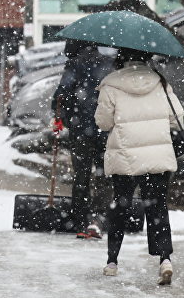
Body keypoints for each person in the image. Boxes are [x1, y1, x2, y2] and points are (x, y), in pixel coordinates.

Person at [94, 47, 184, 285]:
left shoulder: (111, 85)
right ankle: (165, 259)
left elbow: (103, 123)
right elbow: (177, 118)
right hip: (157, 156)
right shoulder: (160, 82)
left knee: (120, 207)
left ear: (120, 58)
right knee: (157, 209)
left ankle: (112, 261)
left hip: (125, 157)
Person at [52, 39, 114, 239]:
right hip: (106, 130)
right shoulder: (109, 64)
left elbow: (62, 95)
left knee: (81, 177)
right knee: (104, 176)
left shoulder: (75, 64)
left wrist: (63, 118)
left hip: (81, 131)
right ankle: (97, 220)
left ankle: (80, 222)